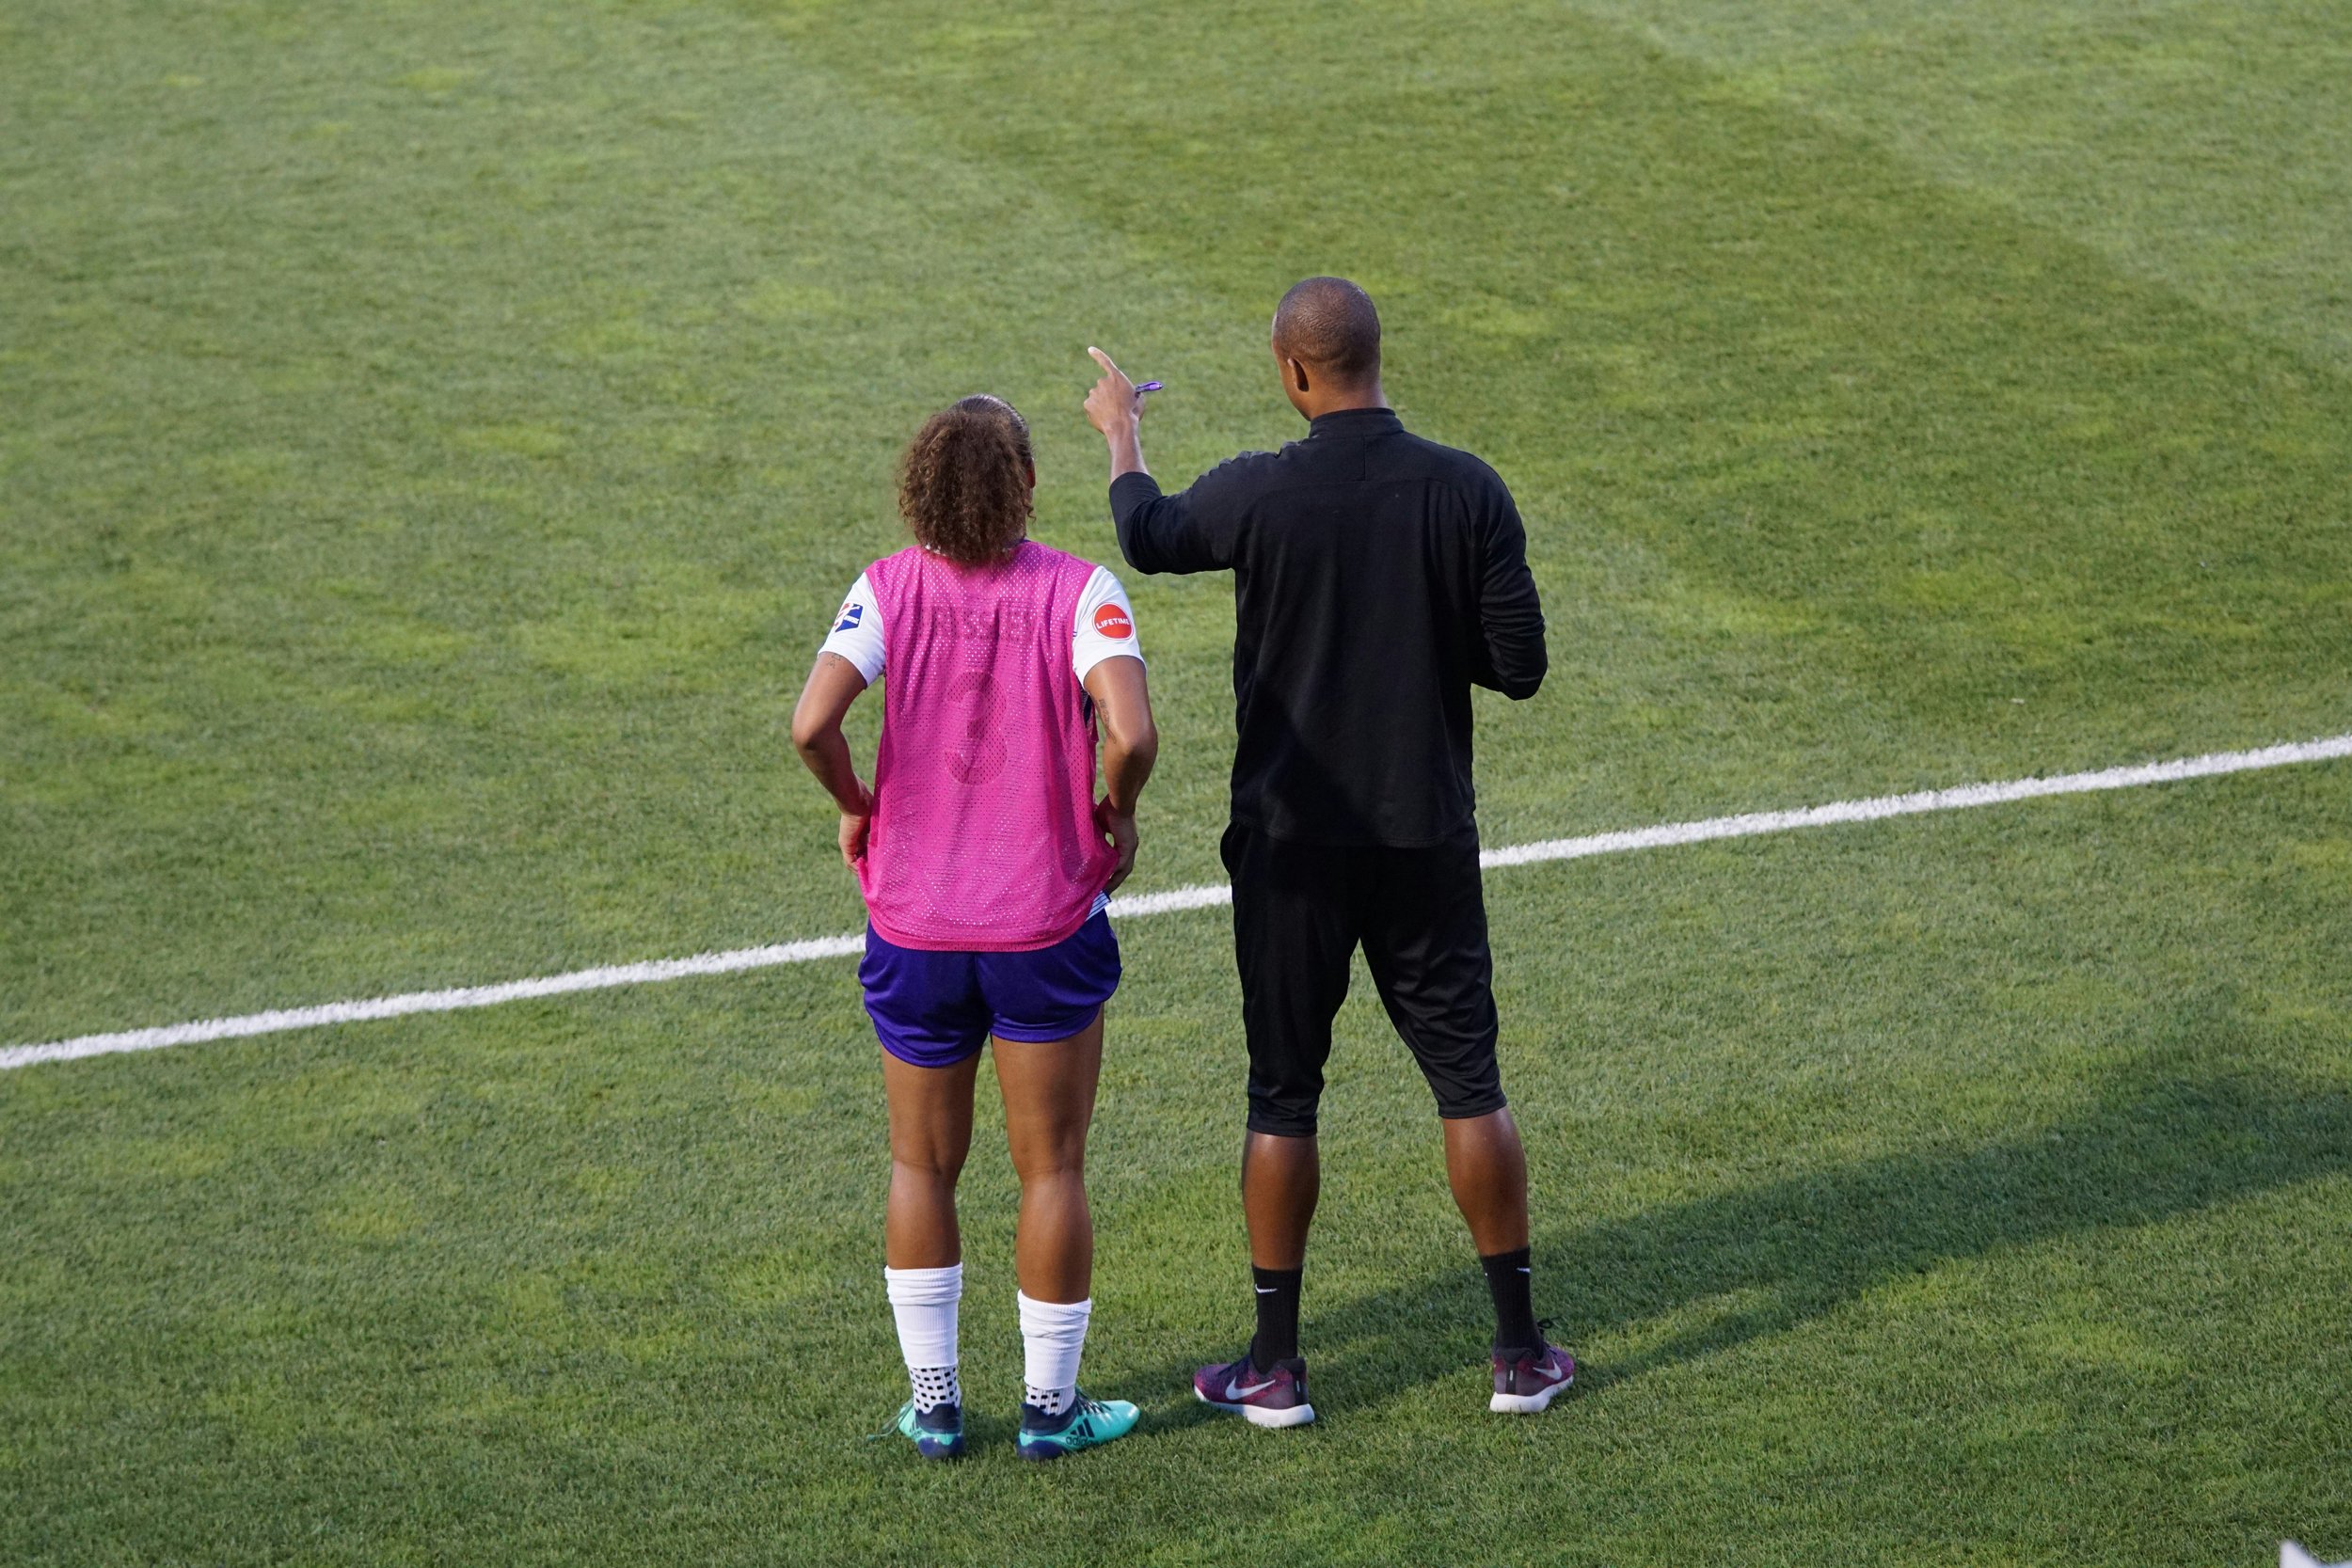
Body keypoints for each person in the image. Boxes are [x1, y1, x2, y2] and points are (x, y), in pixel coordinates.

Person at [1081, 277, 1573, 1425]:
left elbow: (1148, 537)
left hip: (1289, 845)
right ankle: (1516, 1352)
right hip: (1423, 839)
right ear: (1373, 357)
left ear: (1292, 372)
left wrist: (1122, 432)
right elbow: (1520, 665)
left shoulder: (1262, 490)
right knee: (1469, 1084)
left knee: (1281, 1092)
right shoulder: (1467, 490)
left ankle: (1275, 1366)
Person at [790, 394, 1159, 1462]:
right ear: (1027, 487)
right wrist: (1116, 806)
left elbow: (810, 722)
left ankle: (937, 1404)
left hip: (914, 930)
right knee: (1051, 1169)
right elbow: (1130, 729)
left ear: (920, 487)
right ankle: (1050, 1411)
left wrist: (856, 799)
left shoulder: (885, 588)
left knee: (921, 1165)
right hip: (1044, 923)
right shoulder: (1081, 589)